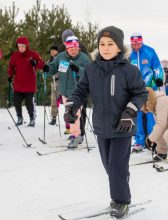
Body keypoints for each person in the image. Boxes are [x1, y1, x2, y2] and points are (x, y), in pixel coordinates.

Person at [64, 26, 148, 218]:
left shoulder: (129, 70)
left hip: (123, 125)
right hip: (102, 127)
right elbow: (80, 91)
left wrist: (130, 111)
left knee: (116, 165)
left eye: (111, 44)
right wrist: (71, 107)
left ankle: (121, 201)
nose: (106, 47)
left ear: (119, 47)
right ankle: (121, 180)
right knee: (109, 166)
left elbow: (140, 94)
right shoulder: (91, 69)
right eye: (102, 44)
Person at [45, 35, 90, 148]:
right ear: (67, 48)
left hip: (78, 92)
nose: (74, 51)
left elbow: (89, 73)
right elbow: (53, 68)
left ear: (78, 47)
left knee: (74, 113)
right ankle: (77, 134)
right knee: (69, 114)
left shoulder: (84, 58)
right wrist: (47, 69)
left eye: (76, 49)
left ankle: (76, 135)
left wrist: (78, 69)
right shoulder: (61, 57)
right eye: (71, 49)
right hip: (64, 91)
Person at [129, 32, 164, 152]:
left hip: (150, 88)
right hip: (135, 90)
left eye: (138, 43)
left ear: (141, 41)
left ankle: (152, 140)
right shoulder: (129, 54)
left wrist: (159, 78)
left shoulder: (149, 51)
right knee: (137, 115)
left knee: (150, 115)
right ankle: (139, 141)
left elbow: (157, 67)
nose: (136, 46)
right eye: (134, 44)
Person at [8, 36, 45, 127]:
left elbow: (42, 64)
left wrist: (36, 63)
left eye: (23, 46)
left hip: (29, 84)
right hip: (18, 83)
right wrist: (10, 75)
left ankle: (32, 118)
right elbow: (11, 66)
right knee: (16, 102)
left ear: (26, 46)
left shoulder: (33, 54)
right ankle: (19, 118)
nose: (21, 48)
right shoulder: (15, 55)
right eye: (19, 46)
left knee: (29, 103)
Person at [61, 29, 89, 141]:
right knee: (71, 109)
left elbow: (87, 66)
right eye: (64, 42)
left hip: (82, 84)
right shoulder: (62, 50)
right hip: (68, 86)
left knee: (82, 110)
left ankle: (80, 133)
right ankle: (74, 131)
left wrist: (77, 69)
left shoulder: (81, 48)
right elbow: (61, 66)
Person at [47, 45, 59, 125]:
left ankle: (69, 119)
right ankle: (54, 117)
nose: (52, 52)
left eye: (54, 50)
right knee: (53, 100)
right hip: (54, 82)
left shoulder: (61, 58)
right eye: (51, 50)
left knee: (65, 100)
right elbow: (47, 71)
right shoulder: (49, 60)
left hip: (61, 81)